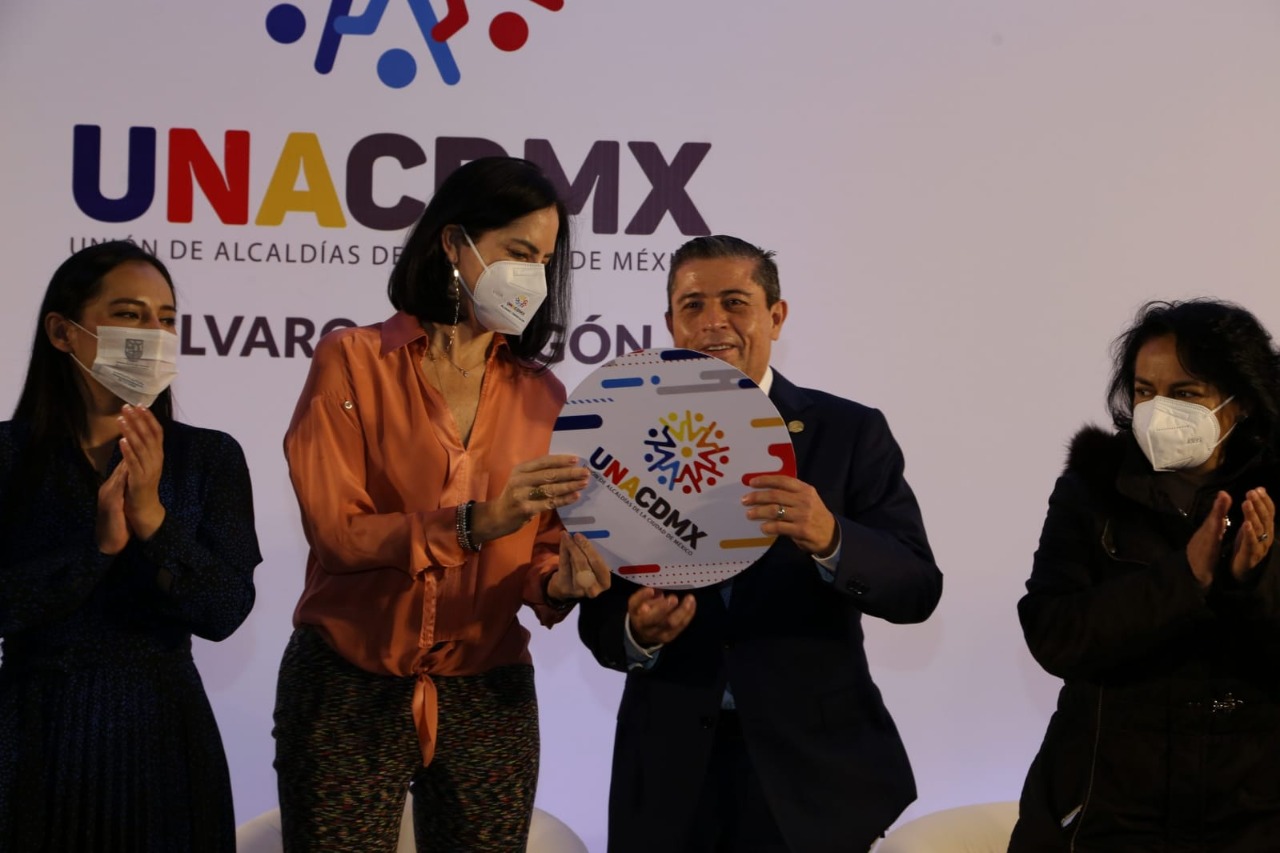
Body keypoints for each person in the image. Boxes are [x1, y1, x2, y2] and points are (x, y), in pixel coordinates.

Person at [274, 156, 610, 852]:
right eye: (518, 252)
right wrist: (475, 523)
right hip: (348, 683)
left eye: (544, 261)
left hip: (488, 689)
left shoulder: (543, 394)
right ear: (454, 243)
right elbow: (338, 534)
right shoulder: (352, 361)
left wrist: (559, 581)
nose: (533, 276)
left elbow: (541, 548)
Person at [577, 234, 944, 853]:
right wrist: (637, 631)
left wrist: (831, 538)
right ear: (670, 323)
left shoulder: (847, 431)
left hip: (812, 775)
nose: (712, 321)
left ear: (776, 316)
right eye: (692, 305)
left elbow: (917, 589)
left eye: (734, 302)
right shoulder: (620, 437)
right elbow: (599, 618)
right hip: (670, 773)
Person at [0, 241, 262, 851]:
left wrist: (154, 522)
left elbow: (225, 611)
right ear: (62, 332)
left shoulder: (208, 457)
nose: (153, 333)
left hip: (163, 736)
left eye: (166, 319)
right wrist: (95, 550)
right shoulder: (9, 457)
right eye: (129, 314)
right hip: (35, 734)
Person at [1009, 299, 1280, 851]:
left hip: (1249, 812)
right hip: (1102, 809)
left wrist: (1249, 583)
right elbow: (1054, 633)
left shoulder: (1271, 495)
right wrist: (1185, 578)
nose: (1159, 411)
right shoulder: (1091, 489)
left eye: (1185, 393)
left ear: (1243, 401)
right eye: (1144, 391)